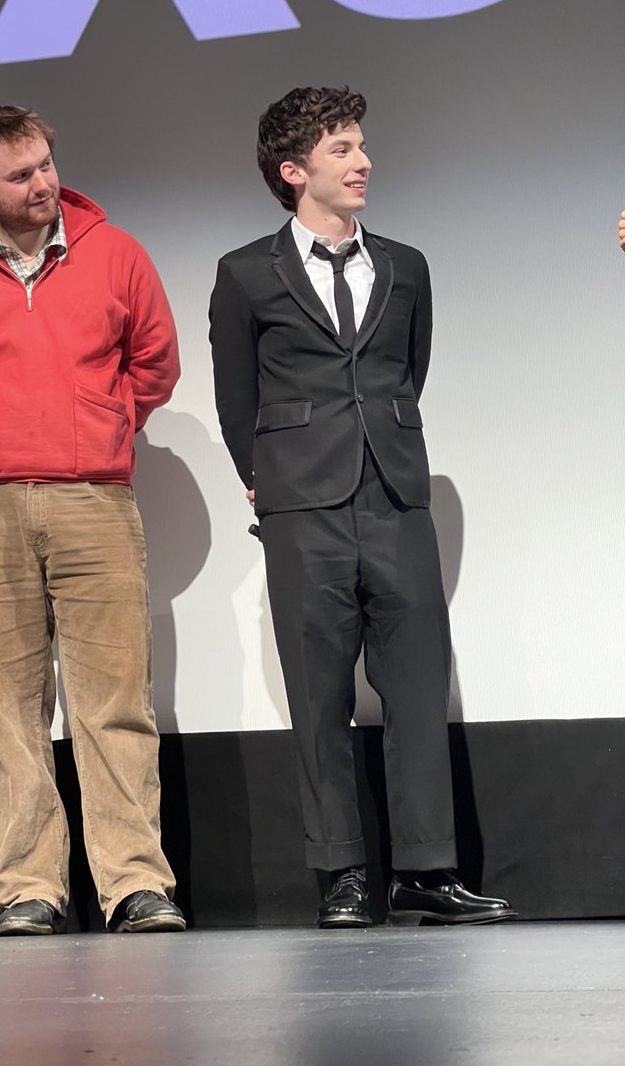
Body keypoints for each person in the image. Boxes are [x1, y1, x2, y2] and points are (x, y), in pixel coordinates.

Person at [209, 86, 515, 928]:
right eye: (342, 148)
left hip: (393, 495)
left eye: (361, 145)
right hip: (302, 507)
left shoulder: (406, 265)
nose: (363, 161)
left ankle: (426, 870)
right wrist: (270, 481)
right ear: (293, 170)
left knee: (418, 687)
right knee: (319, 695)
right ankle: (341, 872)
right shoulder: (244, 273)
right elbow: (238, 403)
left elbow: (404, 375)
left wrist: (380, 449)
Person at [0, 105, 185, 936]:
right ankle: (30, 887)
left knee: (114, 699)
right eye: (21, 174)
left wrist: (99, 417)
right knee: (7, 707)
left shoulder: (115, 253)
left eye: (47, 164)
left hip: (93, 498)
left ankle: (134, 883)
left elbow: (154, 364)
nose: (44, 183)